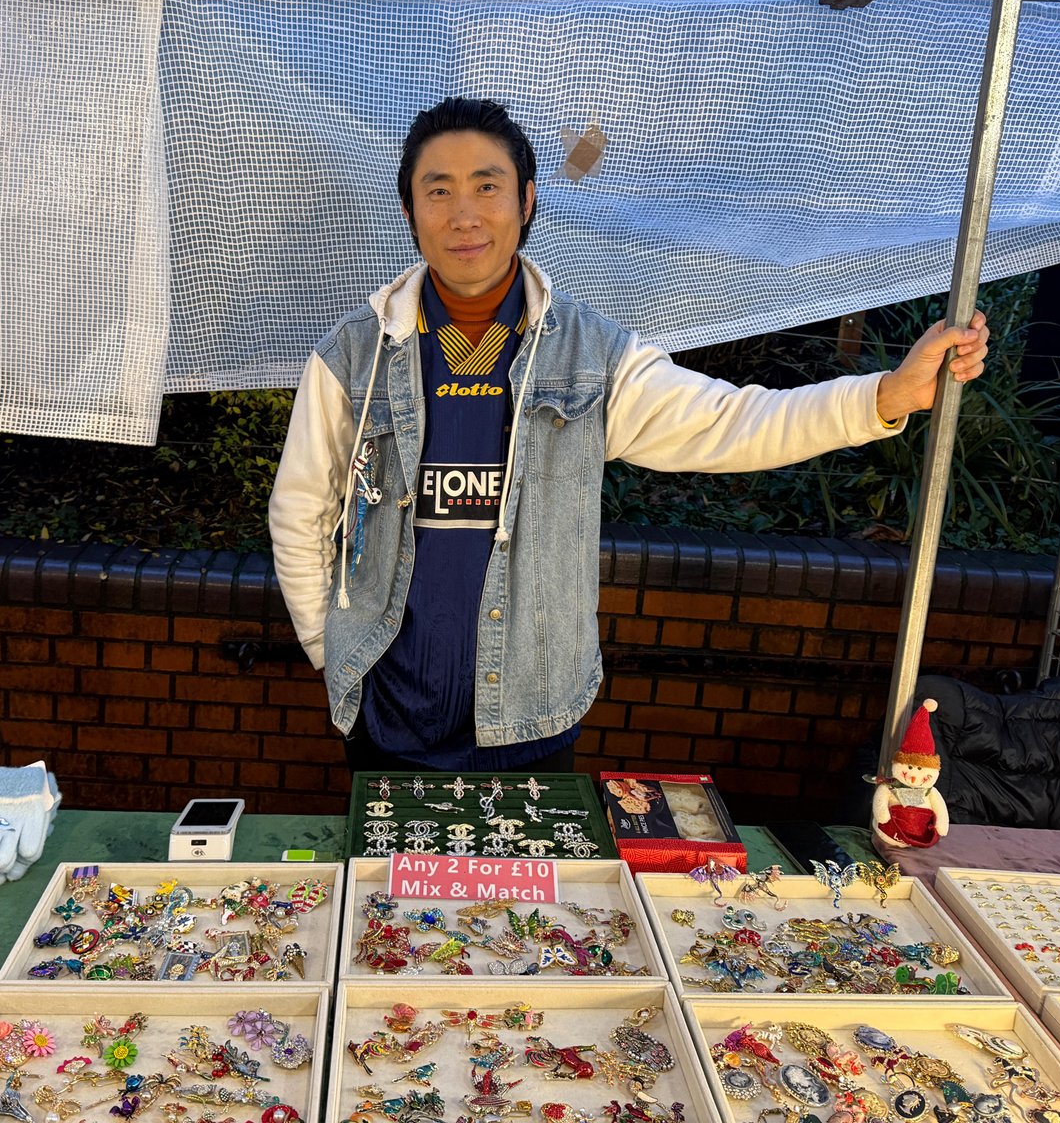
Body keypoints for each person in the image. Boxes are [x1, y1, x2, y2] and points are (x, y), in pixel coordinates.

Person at [269, 97, 990, 774]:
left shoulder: (592, 356)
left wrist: (884, 396)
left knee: (527, 909)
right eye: (439, 190)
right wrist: (330, 652)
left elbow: (729, 422)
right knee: (391, 906)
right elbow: (300, 512)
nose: (465, 214)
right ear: (409, 210)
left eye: (487, 187)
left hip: (534, 717)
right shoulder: (354, 355)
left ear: (525, 201)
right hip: (390, 717)